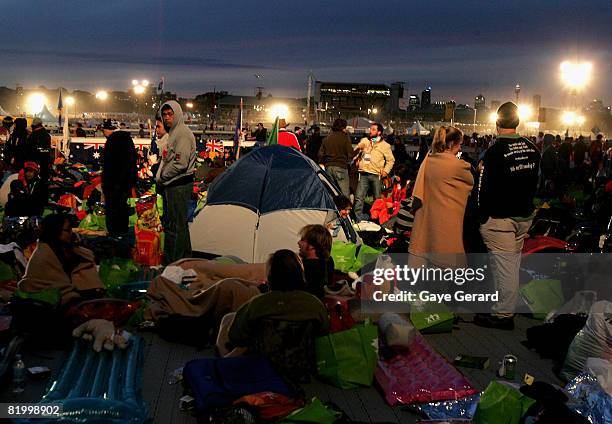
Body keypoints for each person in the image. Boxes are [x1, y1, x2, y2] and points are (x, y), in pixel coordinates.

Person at [476, 102, 540, 330]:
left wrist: (482, 216)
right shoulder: (532, 148)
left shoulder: (494, 152)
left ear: (497, 123)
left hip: (501, 218)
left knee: (505, 269)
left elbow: (486, 189)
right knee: (509, 266)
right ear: (518, 122)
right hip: (523, 216)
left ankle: (503, 315)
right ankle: (501, 307)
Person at [218, 249, 328, 357]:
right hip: (301, 367)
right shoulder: (314, 305)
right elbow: (324, 334)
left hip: (261, 366)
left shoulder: (258, 304)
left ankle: (222, 363)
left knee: (227, 320)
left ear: (270, 277)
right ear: (300, 274)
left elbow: (236, 336)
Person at [408, 126, 473, 264]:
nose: (460, 148)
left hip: (427, 223)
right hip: (447, 225)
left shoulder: (428, 160)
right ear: (451, 144)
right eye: (459, 144)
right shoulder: (459, 166)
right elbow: (470, 183)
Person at [18, 214, 105, 306]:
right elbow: (58, 287)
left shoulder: (68, 250)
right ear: (55, 231)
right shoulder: (44, 256)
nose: (71, 233)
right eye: (67, 230)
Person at [157, 101, 197, 264]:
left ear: (178, 114)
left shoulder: (181, 134)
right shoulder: (175, 133)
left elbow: (180, 164)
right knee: (180, 226)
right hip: (174, 184)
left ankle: (174, 262)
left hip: (178, 185)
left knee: (175, 227)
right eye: (164, 114)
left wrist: (162, 176)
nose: (167, 118)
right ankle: (185, 259)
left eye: (170, 114)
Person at [101, 119, 137, 238]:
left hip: (113, 183)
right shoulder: (127, 139)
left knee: (113, 210)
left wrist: (105, 184)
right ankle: (122, 234)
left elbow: (108, 165)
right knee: (122, 208)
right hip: (125, 182)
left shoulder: (111, 141)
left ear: (107, 130)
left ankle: (114, 235)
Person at [354, 123, 395, 217]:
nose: (370, 131)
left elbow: (391, 160)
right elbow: (358, 151)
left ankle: (378, 218)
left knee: (378, 199)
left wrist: (385, 171)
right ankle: (357, 218)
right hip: (364, 173)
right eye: (370, 129)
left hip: (376, 174)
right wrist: (357, 159)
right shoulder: (365, 141)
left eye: (373, 129)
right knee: (359, 197)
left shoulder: (385, 145)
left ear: (379, 132)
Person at [318, 118, 354, 197]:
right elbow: (350, 153)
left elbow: (320, 154)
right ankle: (345, 208)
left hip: (328, 167)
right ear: (343, 127)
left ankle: (333, 208)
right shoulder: (345, 138)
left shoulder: (326, 138)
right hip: (341, 166)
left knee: (331, 191)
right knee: (344, 192)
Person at [297, 224, 334, 299]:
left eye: (302, 240)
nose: (299, 243)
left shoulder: (303, 268)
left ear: (312, 246)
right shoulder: (328, 262)